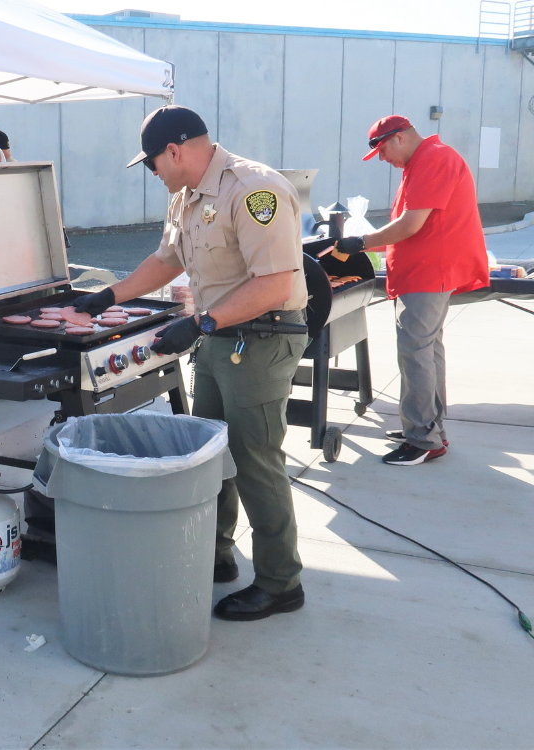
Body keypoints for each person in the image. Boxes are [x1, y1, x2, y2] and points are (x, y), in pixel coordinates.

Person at [72, 105, 310, 621]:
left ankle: (280, 582)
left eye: (153, 163)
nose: (153, 174)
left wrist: (200, 323)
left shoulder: (253, 189)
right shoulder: (186, 196)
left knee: (254, 459)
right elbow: (167, 260)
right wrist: (108, 295)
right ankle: (217, 555)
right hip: (222, 338)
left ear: (175, 151)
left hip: (262, 340)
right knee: (210, 453)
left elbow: (276, 284)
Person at [339, 115, 489, 466]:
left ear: (401, 138)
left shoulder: (434, 158)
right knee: (427, 350)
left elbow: (410, 225)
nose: (382, 158)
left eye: (382, 150)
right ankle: (428, 428)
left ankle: (422, 439)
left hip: (429, 273)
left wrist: (359, 243)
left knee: (415, 351)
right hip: (426, 272)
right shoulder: (425, 159)